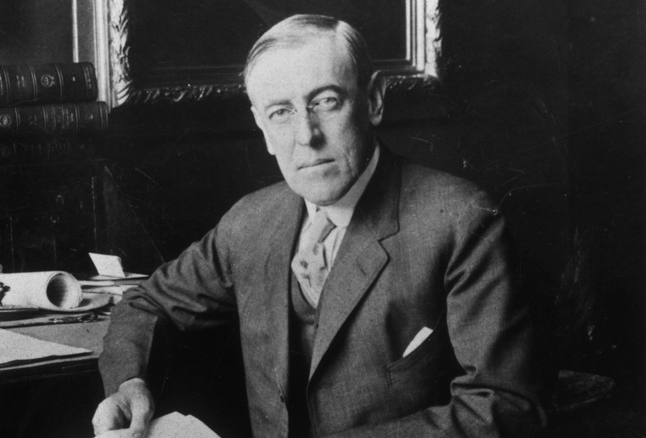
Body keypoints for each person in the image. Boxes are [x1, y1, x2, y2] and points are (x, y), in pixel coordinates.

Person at [93, 14, 546, 438]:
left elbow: (504, 404)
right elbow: (147, 303)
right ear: (262, 128)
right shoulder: (252, 221)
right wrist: (130, 381)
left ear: (373, 100)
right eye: (281, 113)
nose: (306, 135)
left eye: (325, 102)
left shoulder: (460, 219)